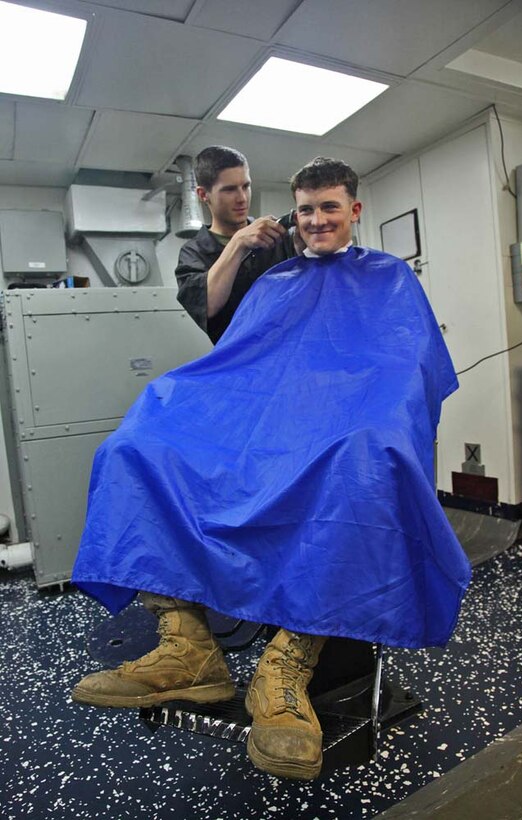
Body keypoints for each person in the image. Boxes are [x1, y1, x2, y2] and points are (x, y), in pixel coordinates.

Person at [71, 158, 471, 781]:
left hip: (342, 427)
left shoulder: (389, 279)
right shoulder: (275, 282)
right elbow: (238, 363)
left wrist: (373, 421)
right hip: (268, 424)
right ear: (294, 213)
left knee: (361, 459)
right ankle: (187, 646)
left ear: (354, 211)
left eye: (330, 207)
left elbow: (406, 370)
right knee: (135, 448)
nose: (317, 220)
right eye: (306, 209)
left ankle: (286, 666)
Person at [175, 145, 298, 343]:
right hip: (238, 363)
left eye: (246, 186)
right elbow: (208, 305)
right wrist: (239, 242)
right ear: (203, 194)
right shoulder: (193, 253)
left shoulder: (276, 236)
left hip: (287, 353)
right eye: (229, 190)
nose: (242, 198)